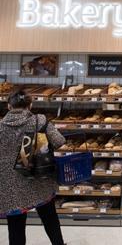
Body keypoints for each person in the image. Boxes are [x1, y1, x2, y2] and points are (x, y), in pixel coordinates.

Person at [0, 89, 66, 245]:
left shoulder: (0, 127)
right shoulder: (40, 121)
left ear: (9, 106)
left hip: (11, 185)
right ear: (30, 105)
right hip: (39, 178)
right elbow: (59, 141)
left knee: (15, 226)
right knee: (50, 218)